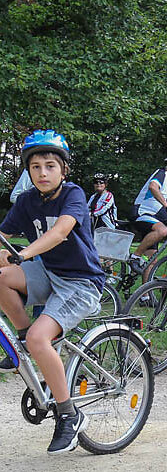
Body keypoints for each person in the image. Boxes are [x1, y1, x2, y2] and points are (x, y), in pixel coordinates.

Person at [0, 130, 105, 454]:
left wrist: (23, 254)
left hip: (81, 282)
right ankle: (24, 337)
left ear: (63, 170)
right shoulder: (27, 201)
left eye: (50, 166)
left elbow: (60, 232)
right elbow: (3, 236)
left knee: (39, 338)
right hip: (48, 273)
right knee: (1, 278)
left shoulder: (73, 194)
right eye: (35, 167)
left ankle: (69, 414)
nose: (42, 173)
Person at [129, 154, 167, 274]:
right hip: (142, 214)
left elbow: (165, 209)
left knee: (151, 261)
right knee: (162, 231)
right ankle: (135, 256)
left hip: (152, 219)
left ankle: (146, 287)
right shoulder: (162, 173)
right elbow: (153, 186)